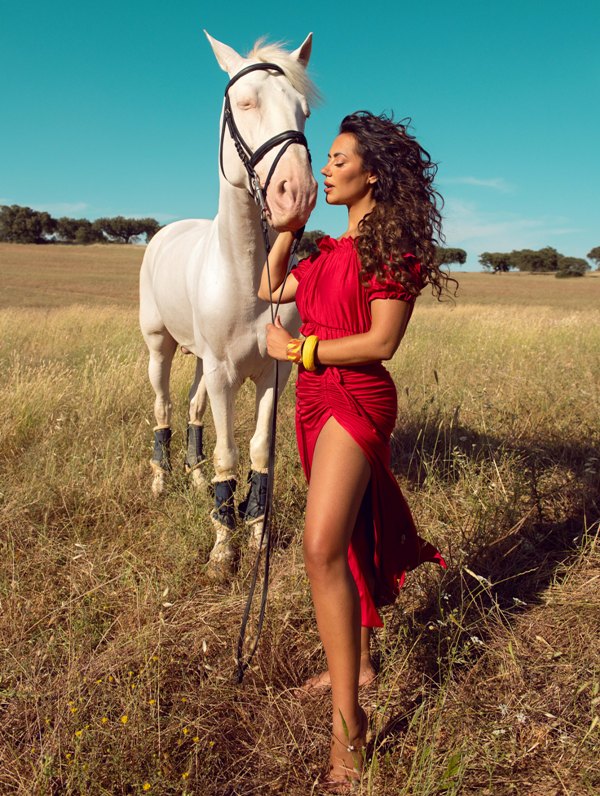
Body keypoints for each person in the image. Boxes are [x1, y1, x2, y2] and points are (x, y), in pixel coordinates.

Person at [258, 111, 454, 790]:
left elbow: (380, 343)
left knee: (318, 546)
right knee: (342, 543)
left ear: (373, 172)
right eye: (327, 161)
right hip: (313, 399)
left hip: (356, 397)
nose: (325, 171)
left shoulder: (389, 250)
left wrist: (302, 348)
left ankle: (350, 723)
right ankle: (360, 663)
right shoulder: (325, 250)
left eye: (339, 160)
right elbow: (269, 289)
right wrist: (286, 233)